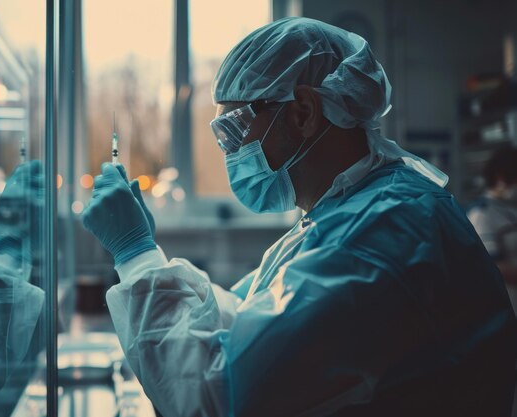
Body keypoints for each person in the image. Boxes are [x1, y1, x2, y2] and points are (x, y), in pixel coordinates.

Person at [82, 17, 517, 417]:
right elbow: (242, 319)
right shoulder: (350, 209)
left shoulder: (380, 235)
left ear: (304, 111)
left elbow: (218, 396)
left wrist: (136, 253)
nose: (227, 151)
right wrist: (146, 251)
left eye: (234, 128)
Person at [468, 146, 517, 315]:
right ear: (501, 177)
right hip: (505, 308)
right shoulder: (481, 214)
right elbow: (494, 266)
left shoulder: (511, 210)